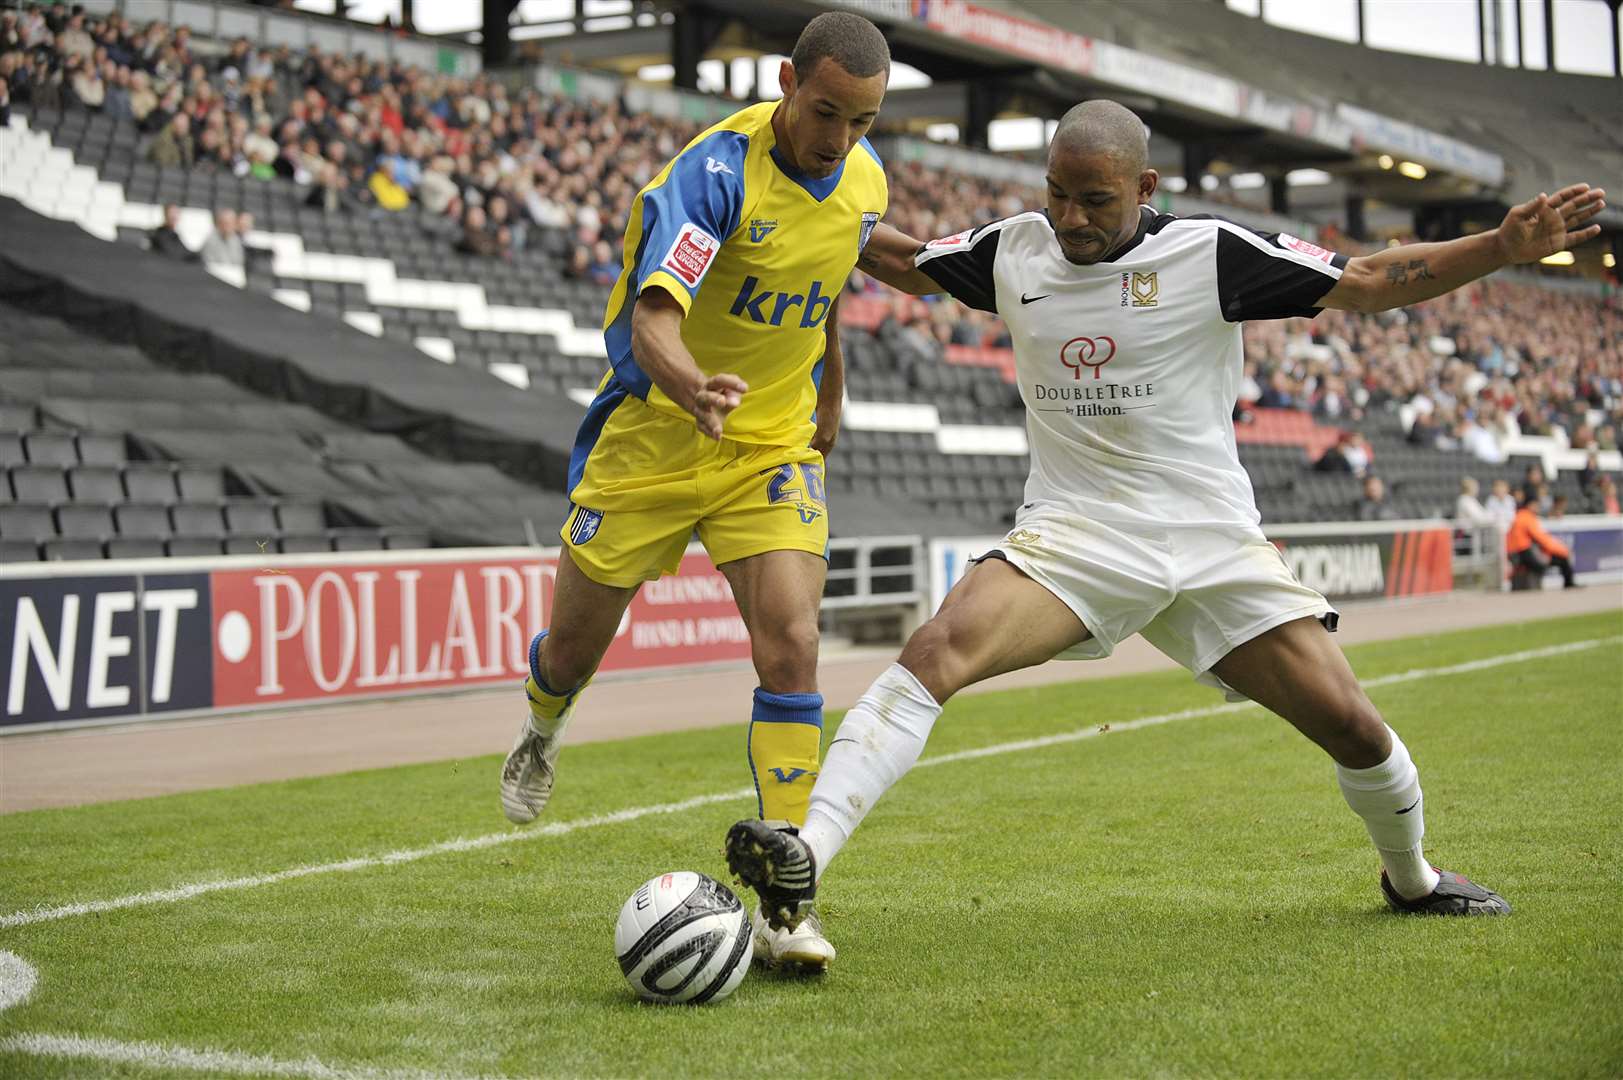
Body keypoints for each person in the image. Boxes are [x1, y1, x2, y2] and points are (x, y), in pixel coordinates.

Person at [726, 99, 1606, 931]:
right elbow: (896, 260)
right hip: (1077, 535)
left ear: (1145, 190)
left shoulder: (1211, 252)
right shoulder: (1012, 250)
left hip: (1209, 540)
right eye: (1057, 194)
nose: (1069, 219)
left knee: (1354, 729)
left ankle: (1411, 879)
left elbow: (1371, 281)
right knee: (933, 653)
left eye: (1095, 201)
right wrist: (769, 187)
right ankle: (805, 855)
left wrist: (1499, 244)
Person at [498, 11, 892, 971]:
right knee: (575, 649)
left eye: (862, 122)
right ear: (786, 81)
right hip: (653, 440)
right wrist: (691, 388)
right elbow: (652, 321)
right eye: (826, 111)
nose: (838, 139)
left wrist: (829, 397)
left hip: (767, 447)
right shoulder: (711, 176)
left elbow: (829, 276)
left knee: (793, 641)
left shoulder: (866, 182)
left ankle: (786, 899)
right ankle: (541, 726)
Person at [1506, 491, 1577, 588]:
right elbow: (1543, 540)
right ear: (1531, 504)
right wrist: (1563, 551)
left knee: (1555, 557)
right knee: (1562, 559)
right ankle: (1569, 584)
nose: (1538, 507)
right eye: (1537, 504)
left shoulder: (1520, 516)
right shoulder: (1527, 518)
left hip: (1516, 554)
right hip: (1524, 553)